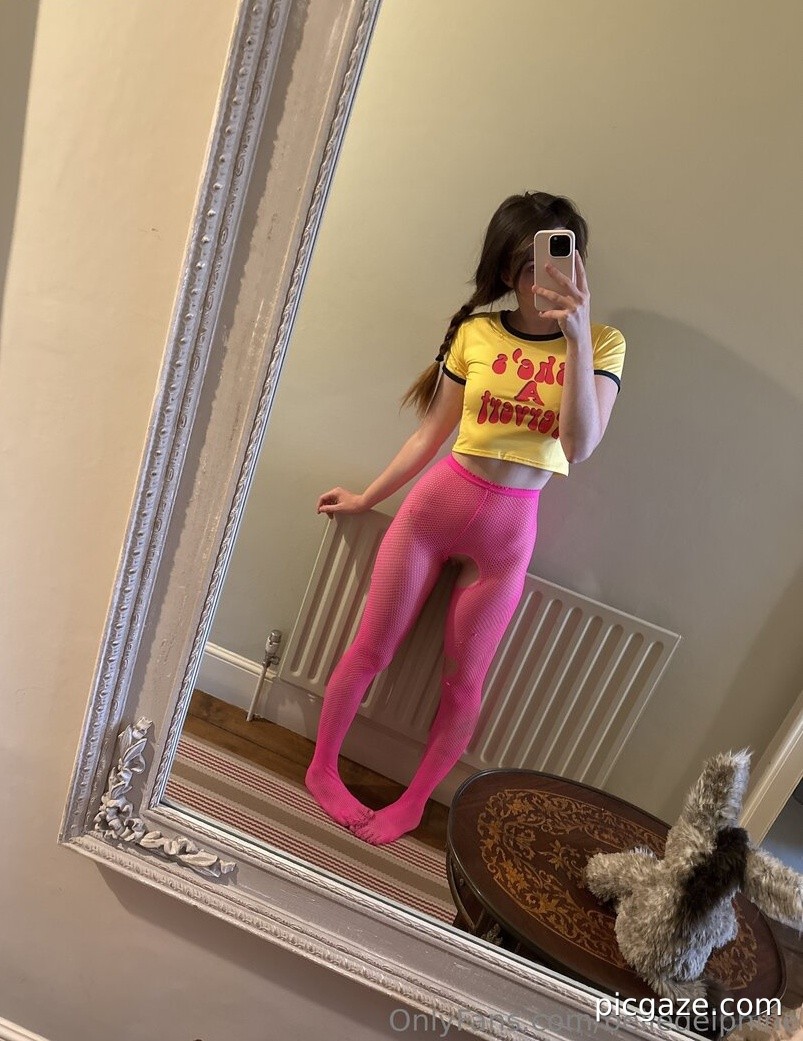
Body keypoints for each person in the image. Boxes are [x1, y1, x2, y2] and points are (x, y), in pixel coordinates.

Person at [304, 191, 626, 845]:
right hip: (436, 508)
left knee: (463, 681)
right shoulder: (477, 333)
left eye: (564, 260)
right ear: (507, 269)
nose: (549, 278)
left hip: (508, 533)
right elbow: (430, 434)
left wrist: (576, 336)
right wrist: (368, 498)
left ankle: (415, 801)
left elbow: (578, 446)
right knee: (372, 648)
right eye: (533, 264)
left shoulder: (602, 344)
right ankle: (320, 770)